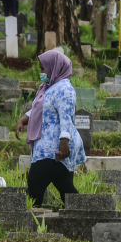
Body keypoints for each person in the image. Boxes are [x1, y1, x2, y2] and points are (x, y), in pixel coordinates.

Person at [15, 50, 86, 208]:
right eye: (40, 69)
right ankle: (87, 213)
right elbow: (40, 109)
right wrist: (23, 120)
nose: (41, 73)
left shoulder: (64, 89)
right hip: (47, 145)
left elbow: (67, 116)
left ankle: (32, 223)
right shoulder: (48, 86)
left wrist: (64, 141)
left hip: (56, 147)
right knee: (65, 189)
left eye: (43, 69)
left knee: (35, 184)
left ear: (55, 68)